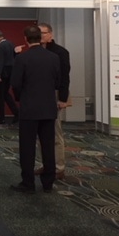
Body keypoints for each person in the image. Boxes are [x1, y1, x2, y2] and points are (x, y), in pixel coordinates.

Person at [10, 25, 60, 194]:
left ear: (25, 39)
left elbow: (15, 84)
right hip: (48, 108)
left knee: (27, 147)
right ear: (41, 37)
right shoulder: (53, 58)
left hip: (29, 109)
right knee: (48, 146)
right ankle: (48, 183)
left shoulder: (22, 59)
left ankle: (28, 182)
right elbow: (58, 81)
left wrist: (21, 98)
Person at [35, 22, 71, 181]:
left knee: (55, 133)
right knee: (40, 133)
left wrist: (62, 98)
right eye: (38, 33)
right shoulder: (35, 51)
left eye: (43, 33)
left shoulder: (60, 52)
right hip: (38, 95)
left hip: (55, 95)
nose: (40, 36)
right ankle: (46, 164)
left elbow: (65, 77)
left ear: (51, 34)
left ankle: (59, 168)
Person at [0, 30, 19, 124]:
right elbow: (15, 57)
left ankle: (1, 118)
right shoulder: (11, 44)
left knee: (0, 96)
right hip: (10, 72)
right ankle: (17, 113)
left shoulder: (0, 46)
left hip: (3, 73)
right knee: (6, 94)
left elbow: (0, 61)